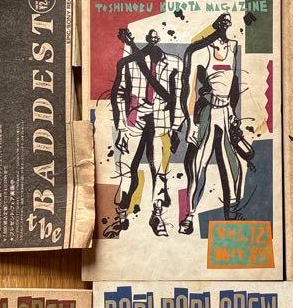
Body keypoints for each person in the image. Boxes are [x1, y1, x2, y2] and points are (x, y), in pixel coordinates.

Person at [104, 29, 183, 238]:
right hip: (134, 121)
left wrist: (175, 127)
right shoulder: (128, 64)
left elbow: (178, 98)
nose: (153, 41)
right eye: (150, 37)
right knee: (127, 171)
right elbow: (118, 96)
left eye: (156, 38)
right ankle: (122, 211)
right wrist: (121, 128)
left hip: (160, 123)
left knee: (160, 172)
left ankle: (157, 214)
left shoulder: (174, 63)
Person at [178, 14, 251, 232]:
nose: (226, 26)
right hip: (207, 113)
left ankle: (233, 213)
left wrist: (232, 112)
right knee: (198, 165)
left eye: (228, 23)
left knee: (233, 165)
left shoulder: (233, 47)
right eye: (222, 22)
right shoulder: (200, 52)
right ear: (215, 24)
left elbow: (232, 82)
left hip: (225, 112)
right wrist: (191, 123)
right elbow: (190, 91)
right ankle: (189, 216)